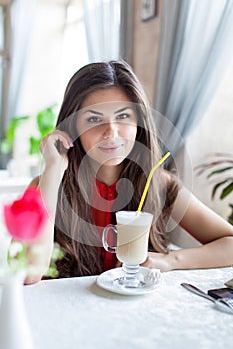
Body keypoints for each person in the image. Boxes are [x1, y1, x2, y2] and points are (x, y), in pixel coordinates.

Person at [25, 60, 233, 284]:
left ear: (138, 122)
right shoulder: (45, 185)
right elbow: (29, 273)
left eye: (123, 116)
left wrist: (170, 260)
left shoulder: (159, 184)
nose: (111, 132)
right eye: (94, 119)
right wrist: (54, 171)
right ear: (73, 127)